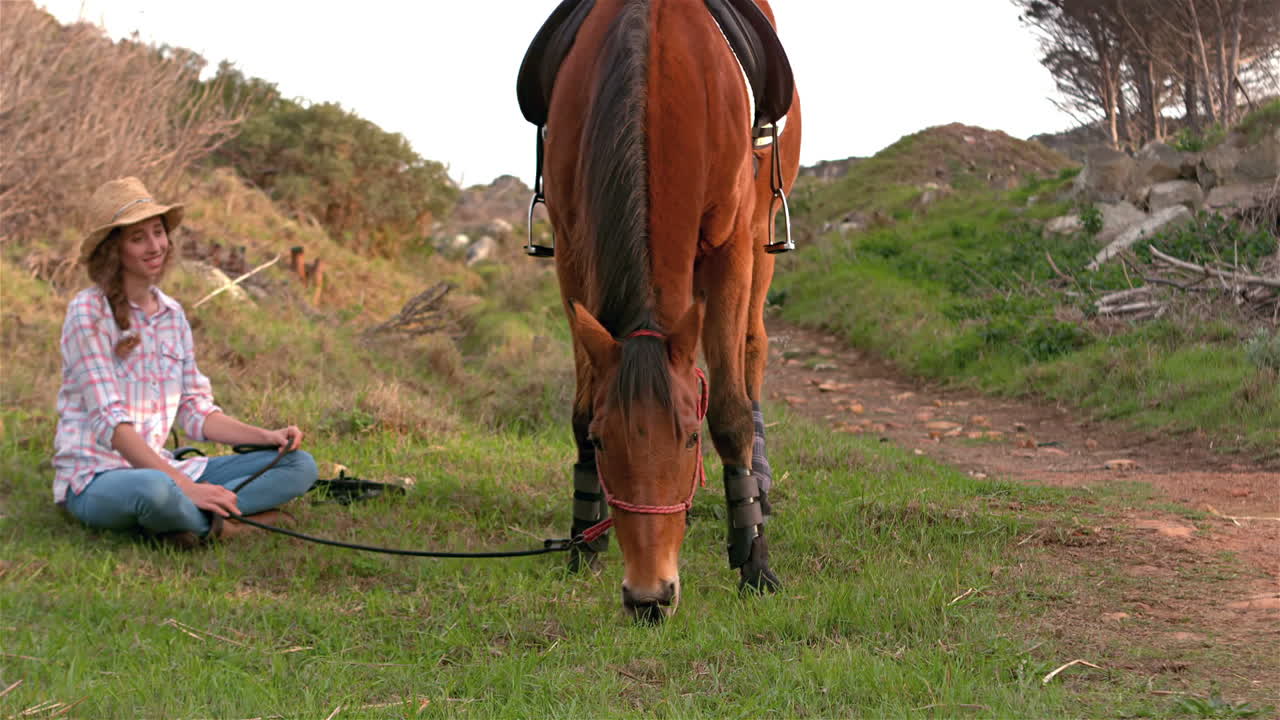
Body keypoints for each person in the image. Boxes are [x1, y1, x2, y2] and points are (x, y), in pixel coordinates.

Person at [53, 176, 317, 548]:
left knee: (299, 466)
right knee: (157, 492)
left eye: (158, 232)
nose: (155, 246)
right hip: (100, 476)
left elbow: (195, 411)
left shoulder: (172, 315)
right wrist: (185, 487)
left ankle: (186, 521)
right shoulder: (88, 312)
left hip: (169, 467)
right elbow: (111, 423)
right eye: (137, 237)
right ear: (114, 251)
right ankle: (225, 523)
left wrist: (266, 437)